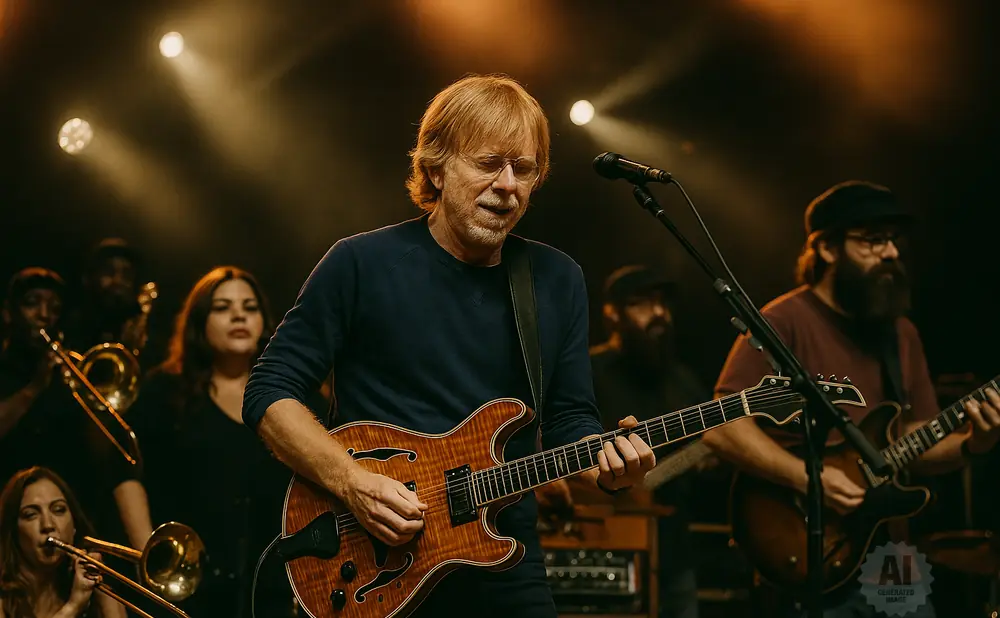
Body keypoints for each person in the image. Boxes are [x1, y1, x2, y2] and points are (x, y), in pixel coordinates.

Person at [242, 73, 656, 617]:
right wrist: (352, 482)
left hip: (504, 564)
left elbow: (569, 418)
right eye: (488, 164)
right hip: (378, 558)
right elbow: (269, 391)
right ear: (436, 166)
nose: (508, 185)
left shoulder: (555, 279)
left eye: (523, 169)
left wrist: (608, 465)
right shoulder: (360, 263)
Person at [700, 180, 1000, 617]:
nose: (892, 253)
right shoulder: (782, 321)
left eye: (894, 240)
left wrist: (975, 444)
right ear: (826, 249)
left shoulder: (900, 332)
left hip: (892, 550)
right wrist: (810, 478)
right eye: (873, 241)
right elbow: (722, 425)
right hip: (806, 541)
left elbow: (916, 438)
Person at [128, 267, 325, 617]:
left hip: (278, 589)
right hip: (189, 590)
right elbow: (123, 469)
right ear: (199, 321)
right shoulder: (164, 392)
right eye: (222, 307)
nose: (239, 315)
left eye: (249, 307)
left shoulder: (299, 397)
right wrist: (149, 555)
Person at [0, 268, 152, 552]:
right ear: (9, 313)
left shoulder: (68, 375)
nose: (44, 314)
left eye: (54, 308)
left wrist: (89, 398)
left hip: (70, 520)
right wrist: (34, 388)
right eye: (33, 303)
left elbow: (101, 455)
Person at [589, 265, 707, 618]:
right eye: (643, 304)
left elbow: (711, 451)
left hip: (673, 547)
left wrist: (709, 457)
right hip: (600, 537)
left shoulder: (682, 380)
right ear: (613, 314)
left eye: (662, 304)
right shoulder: (588, 371)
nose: (658, 313)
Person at [0, 466, 126, 618]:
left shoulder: (94, 592)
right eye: (31, 514)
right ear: (13, 532)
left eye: (59, 510)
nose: (47, 525)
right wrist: (74, 606)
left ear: (74, 527)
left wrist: (104, 595)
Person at [63, 239, 153, 364]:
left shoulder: (141, 327)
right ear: (90, 278)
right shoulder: (71, 326)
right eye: (109, 272)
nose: (118, 281)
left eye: (126, 275)